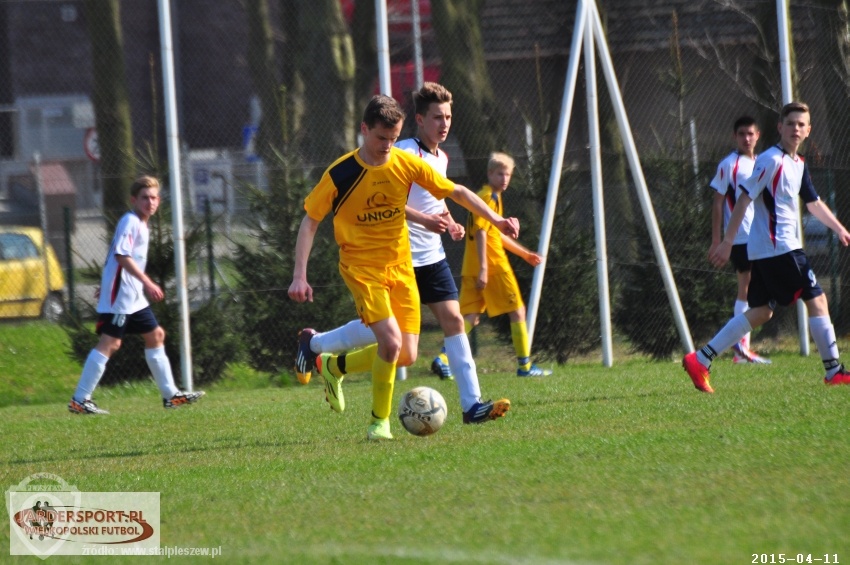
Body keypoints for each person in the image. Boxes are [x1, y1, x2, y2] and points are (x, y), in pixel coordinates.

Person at [288, 95, 520, 441]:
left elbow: (456, 191)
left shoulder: (404, 163)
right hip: (362, 268)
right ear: (364, 129)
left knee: (406, 354)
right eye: (381, 138)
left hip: (401, 267)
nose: (387, 146)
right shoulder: (341, 172)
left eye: (393, 138)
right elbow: (310, 221)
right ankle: (379, 423)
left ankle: (331, 364)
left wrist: (497, 220)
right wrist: (299, 276)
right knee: (391, 341)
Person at [684, 101, 850, 393]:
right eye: (790, 123)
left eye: (801, 124)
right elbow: (745, 197)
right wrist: (726, 241)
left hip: (768, 250)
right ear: (779, 127)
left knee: (761, 311)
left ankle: (701, 359)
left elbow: (812, 203)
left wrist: (839, 228)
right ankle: (834, 371)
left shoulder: (798, 164)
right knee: (817, 299)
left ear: (808, 130)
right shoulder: (771, 160)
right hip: (781, 248)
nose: (795, 129)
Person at [68, 175, 205, 414]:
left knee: (156, 335)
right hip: (122, 295)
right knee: (110, 343)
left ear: (159, 200)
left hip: (133, 296)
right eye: (144, 198)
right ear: (134, 199)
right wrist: (147, 282)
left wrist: (107, 281)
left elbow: (115, 254)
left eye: (154, 198)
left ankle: (171, 396)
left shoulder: (141, 223)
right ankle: (80, 399)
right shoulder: (130, 221)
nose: (150, 202)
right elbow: (121, 255)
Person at [460, 152, 551, 377]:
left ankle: (442, 358)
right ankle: (525, 366)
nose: (504, 179)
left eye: (508, 174)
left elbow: (494, 233)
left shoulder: (486, 196)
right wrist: (484, 268)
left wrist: (524, 254)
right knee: (517, 311)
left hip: (471, 265)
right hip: (492, 266)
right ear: (490, 173)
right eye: (500, 174)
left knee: (470, 316)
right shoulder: (489, 197)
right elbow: (481, 232)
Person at [709, 115, 770, 364]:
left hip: (762, 235)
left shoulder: (763, 162)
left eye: (750, 133)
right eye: (742, 134)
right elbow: (717, 202)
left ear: (758, 136)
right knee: (745, 287)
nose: (747, 138)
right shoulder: (729, 165)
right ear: (735, 137)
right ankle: (741, 349)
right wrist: (717, 241)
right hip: (740, 237)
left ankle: (741, 348)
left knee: (757, 289)